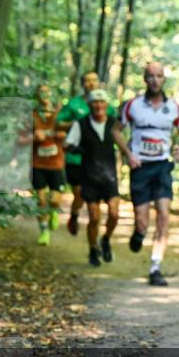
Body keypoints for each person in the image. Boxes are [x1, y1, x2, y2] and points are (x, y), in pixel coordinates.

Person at [114, 62, 179, 287]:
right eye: (151, 76)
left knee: (164, 215)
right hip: (140, 167)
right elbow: (115, 131)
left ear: (164, 79)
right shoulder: (132, 106)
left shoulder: (174, 107)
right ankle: (138, 233)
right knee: (143, 222)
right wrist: (128, 154)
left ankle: (155, 267)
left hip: (163, 166)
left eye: (159, 76)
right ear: (145, 79)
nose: (155, 80)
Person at [64, 89, 120, 267]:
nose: (98, 105)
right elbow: (67, 144)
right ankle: (93, 250)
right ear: (89, 105)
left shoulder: (114, 124)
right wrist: (77, 149)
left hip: (110, 176)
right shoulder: (81, 124)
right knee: (94, 217)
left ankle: (106, 240)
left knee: (114, 214)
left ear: (107, 105)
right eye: (94, 102)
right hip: (89, 176)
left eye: (102, 102)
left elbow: (124, 144)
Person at [56, 72, 117, 236]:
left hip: (97, 162)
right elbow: (58, 122)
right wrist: (77, 125)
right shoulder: (74, 104)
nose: (90, 83)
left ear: (99, 83)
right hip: (76, 158)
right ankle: (74, 215)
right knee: (79, 195)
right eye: (87, 81)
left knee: (89, 197)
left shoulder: (106, 105)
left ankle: (80, 219)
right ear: (82, 84)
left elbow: (115, 127)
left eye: (94, 80)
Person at [21, 84, 66, 245]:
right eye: (41, 92)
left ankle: (53, 211)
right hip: (37, 165)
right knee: (40, 200)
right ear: (36, 96)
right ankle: (44, 230)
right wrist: (34, 137)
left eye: (48, 92)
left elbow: (72, 134)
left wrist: (63, 136)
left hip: (56, 164)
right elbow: (19, 141)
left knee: (54, 200)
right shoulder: (31, 115)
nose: (45, 95)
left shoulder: (59, 114)